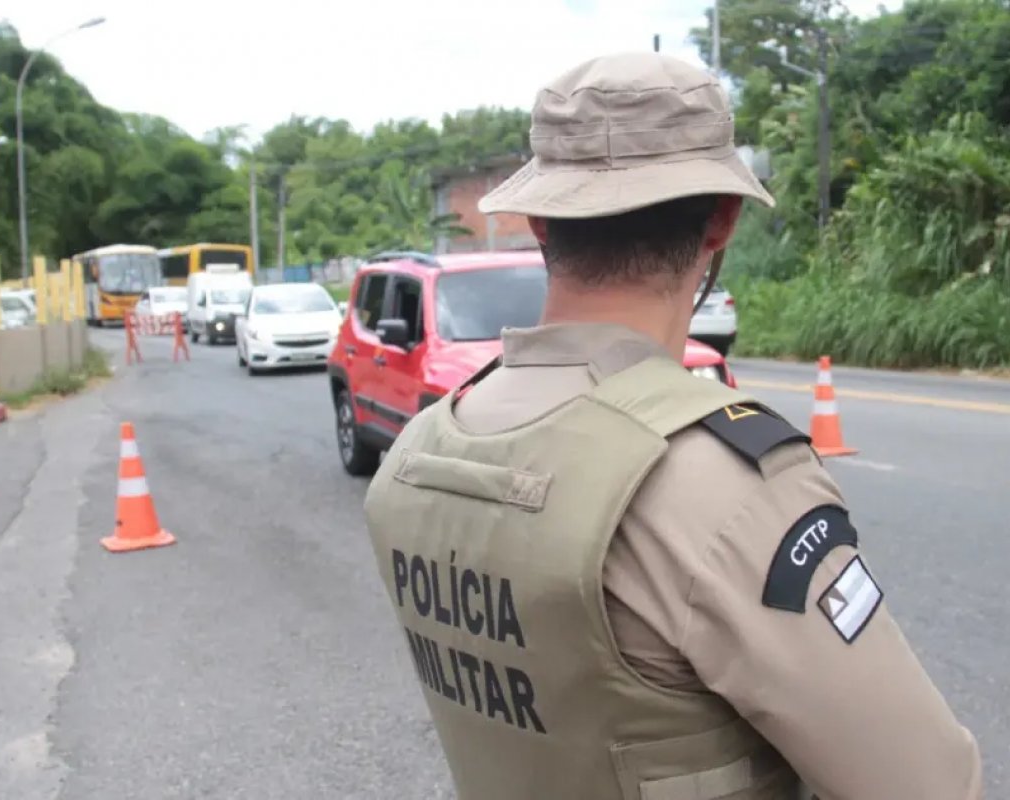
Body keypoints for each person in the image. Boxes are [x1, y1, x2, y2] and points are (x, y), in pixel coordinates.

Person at [361, 52, 983, 800]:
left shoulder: (416, 457)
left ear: (538, 221)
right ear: (723, 218)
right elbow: (926, 782)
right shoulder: (720, 486)